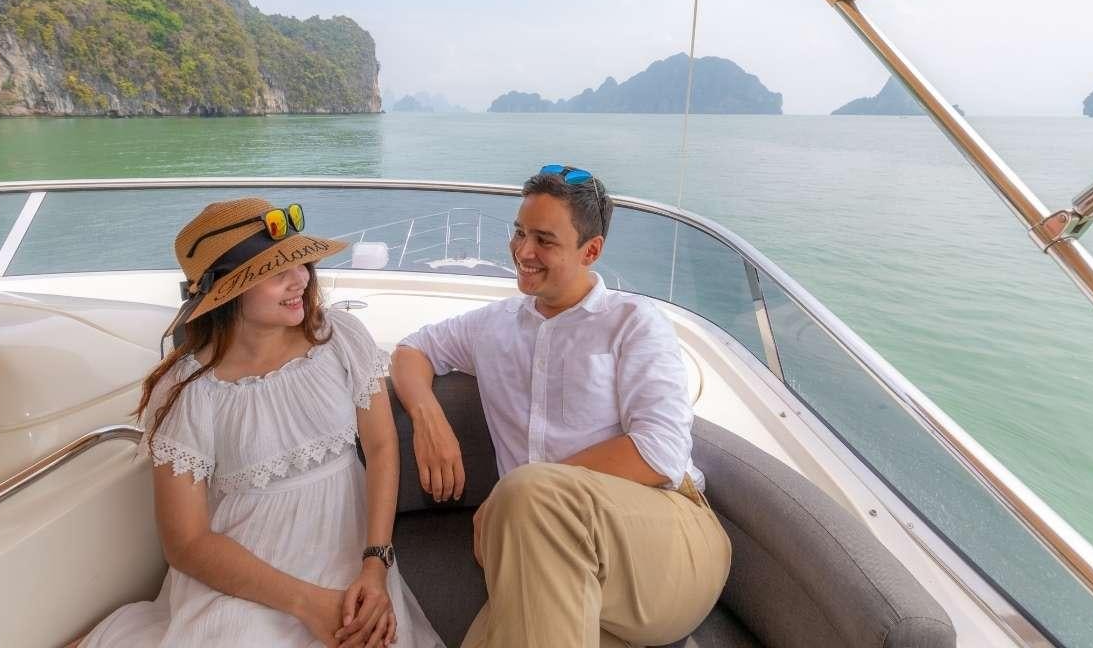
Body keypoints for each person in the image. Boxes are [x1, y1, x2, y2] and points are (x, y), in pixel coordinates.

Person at [74, 198, 443, 648]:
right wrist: (308, 603)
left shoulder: (340, 338)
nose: (301, 279)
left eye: (301, 262)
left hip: (351, 557)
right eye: (276, 272)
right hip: (247, 576)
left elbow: (383, 448)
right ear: (227, 293)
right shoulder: (189, 392)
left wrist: (375, 562)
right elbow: (186, 543)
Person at [391, 166, 731, 648]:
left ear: (590, 251)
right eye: (519, 232)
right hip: (545, 550)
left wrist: (521, 494)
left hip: (667, 540)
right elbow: (412, 350)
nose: (522, 252)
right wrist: (428, 419)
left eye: (544, 240)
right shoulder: (493, 326)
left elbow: (660, 453)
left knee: (528, 498)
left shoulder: (633, 324)